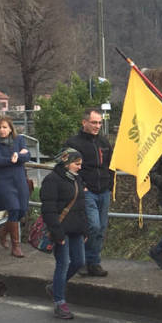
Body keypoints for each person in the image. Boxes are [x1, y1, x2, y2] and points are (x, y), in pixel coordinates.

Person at [42, 147, 90, 319]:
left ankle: (55, 287)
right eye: (76, 164)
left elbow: (81, 206)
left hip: (76, 229)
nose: (79, 167)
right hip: (61, 230)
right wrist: (57, 233)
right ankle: (59, 302)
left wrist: (85, 229)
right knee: (63, 264)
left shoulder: (77, 179)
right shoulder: (52, 180)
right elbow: (48, 209)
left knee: (78, 262)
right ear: (66, 163)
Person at [65, 108, 112, 277]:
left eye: (99, 122)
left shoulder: (104, 142)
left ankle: (94, 262)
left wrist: (111, 185)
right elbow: (66, 168)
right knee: (93, 226)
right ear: (84, 122)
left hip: (104, 190)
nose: (97, 126)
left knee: (101, 228)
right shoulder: (73, 143)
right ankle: (81, 260)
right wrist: (80, 185)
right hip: (86, 191)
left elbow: (110, 165)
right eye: (94, 122)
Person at [0, 115, 30, 258]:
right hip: (3, 179)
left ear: (11, 128)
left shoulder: (19, 139)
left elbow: (27, 156)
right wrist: (16, 158)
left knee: (22, 210)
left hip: (19, 178)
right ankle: (16, 246)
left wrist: (17, 155)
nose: (1, 130)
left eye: (4, 127)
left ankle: (3, 232)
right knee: (14, 208)